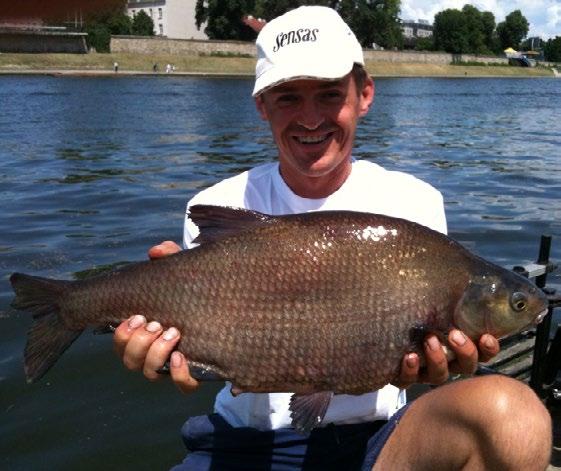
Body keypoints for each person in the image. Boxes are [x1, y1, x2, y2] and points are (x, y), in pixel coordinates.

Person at [114, 6, 552, 470]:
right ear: (261, 105)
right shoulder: (219, 203)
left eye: (329, 95)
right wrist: (162, 354)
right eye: (287, 98)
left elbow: (425, 360)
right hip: (247, 439)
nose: (310, 118)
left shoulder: (414, 202)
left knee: (516, 415)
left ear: (364, 95)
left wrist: (437, 368)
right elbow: (191, 350)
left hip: (381, 438)